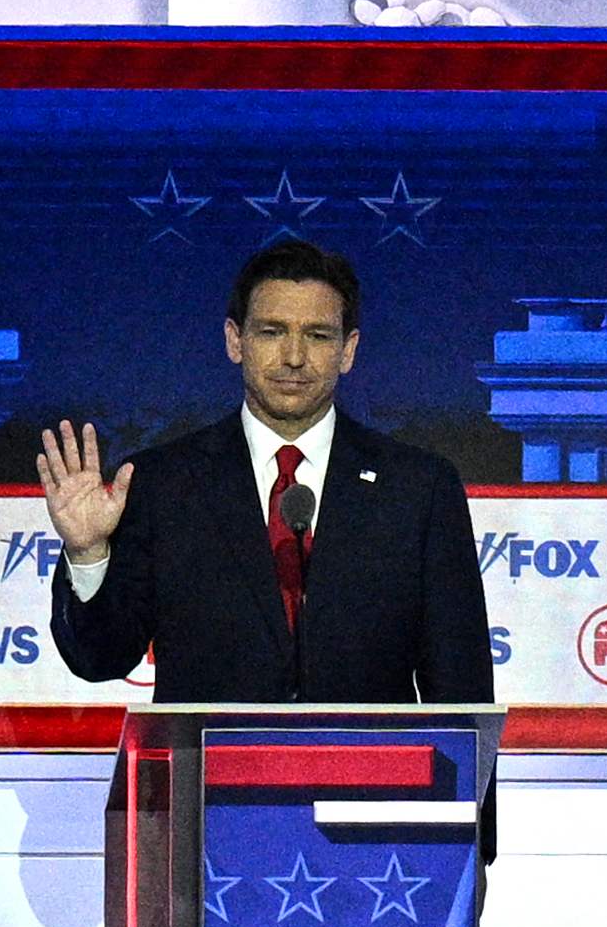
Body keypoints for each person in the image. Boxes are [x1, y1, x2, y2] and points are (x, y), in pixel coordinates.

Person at [39, 234, 492, 706]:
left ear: (348, 349)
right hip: (210, 777)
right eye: (272, 332)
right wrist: (89, 552)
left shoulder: (418, 489)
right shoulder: (165, 484)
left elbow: (463, 693)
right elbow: (101, 658)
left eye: (317, 335)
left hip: (368, 779)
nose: (294, 357)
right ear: (235, 340)